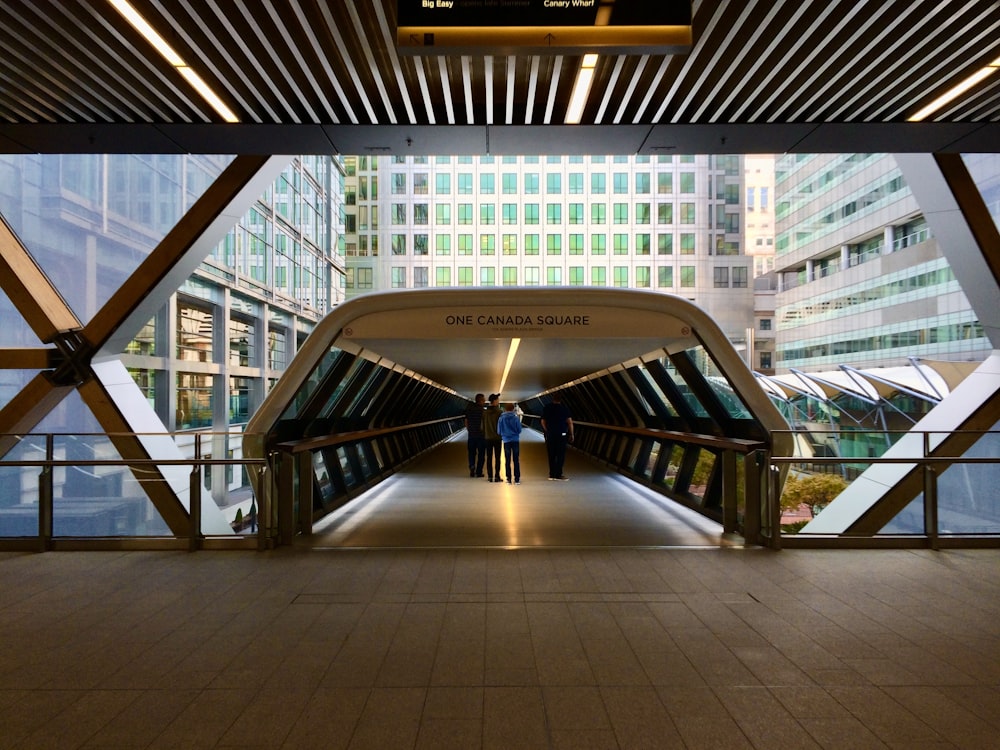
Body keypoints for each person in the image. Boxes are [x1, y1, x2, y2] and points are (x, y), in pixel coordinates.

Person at [540, 391, 573, 480]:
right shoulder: (564, 408)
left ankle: (552, 474)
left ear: (553, 399)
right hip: (562, 434)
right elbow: (570, 423)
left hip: (551, 434)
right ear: (561, 400)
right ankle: (559, 474)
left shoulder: (547, 408)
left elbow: (543, 421)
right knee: (560, 454)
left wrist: (547, 430)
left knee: (551, 454)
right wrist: (571, 434)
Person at [497, 401, 522, 484]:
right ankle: (517, 479)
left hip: (506, 441)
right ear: (513, 409)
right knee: (516, 460)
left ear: (505, 409)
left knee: (507, 460)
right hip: (515, 440)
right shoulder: (516, 418)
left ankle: (508, 478)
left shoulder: (501, 418)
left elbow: (499, 431)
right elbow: (519, 430)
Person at [465, 393, 486, 477]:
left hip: (471, 435)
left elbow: (466, 421)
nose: (484, 401)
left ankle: (472, 466)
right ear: (480, 400)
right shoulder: (483, 411)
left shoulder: (469, 409)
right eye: (484, 400)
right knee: (481, 454)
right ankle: (479, 471)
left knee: (471, 452)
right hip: (481, 436)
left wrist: (469, 430)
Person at [483, 393, 503, 482]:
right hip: (497, 438)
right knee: (498, 458)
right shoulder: (500, 412)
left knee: (489, 457)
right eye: (498, 400)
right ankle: (497, 476)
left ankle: (490, 476)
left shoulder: (485, 413)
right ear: (494, 401)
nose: (498, 401)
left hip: (488, 438)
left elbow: (481, 427)